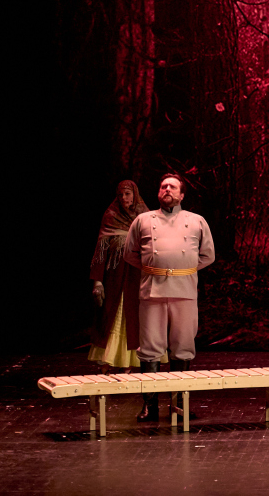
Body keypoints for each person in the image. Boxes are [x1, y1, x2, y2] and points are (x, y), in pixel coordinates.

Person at [123, 173, 216, 422]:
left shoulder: (196, 221)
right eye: (163, 186)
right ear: (158, 192)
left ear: (182, 195)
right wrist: (154, 269)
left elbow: (208, 255)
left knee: (183, 347)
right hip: (152, 290)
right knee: (150, 349)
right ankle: (149, 406)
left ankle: (179, 405)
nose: (167, 189)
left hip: (184, 291)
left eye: (172, 187)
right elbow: (130, 254)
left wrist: (183, 269)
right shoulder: (143, 220)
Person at [88, 180, 153, 371]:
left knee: (135, 318)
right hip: (114, 280)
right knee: (112, 317)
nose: (124, 198)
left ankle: (130, 362)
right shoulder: (111, 216)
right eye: (120, 195)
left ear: (135, 194)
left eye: (128, 194)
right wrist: (97, 282)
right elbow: (101, 251)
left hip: (138, 279)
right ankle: (108, 361)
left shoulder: (146, 219)